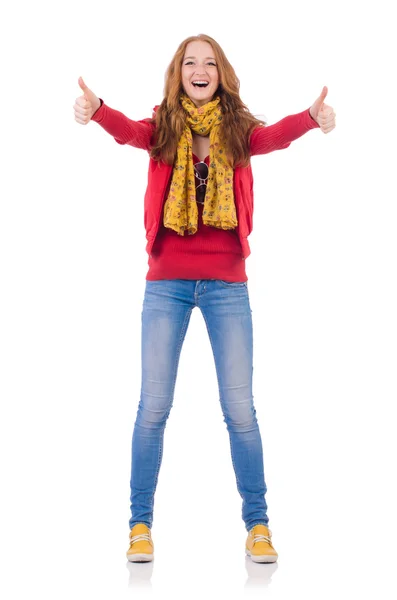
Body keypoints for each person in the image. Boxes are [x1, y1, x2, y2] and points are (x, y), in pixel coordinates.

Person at [73, 33, 336, 564]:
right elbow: (127, 131)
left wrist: (311, 117)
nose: (199, 69)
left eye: (209, 62)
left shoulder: (238, 131)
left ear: (221, 73)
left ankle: (257, 525)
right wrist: (97, 110)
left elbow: (276, 136)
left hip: (227, 285)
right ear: (178, 73)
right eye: (190, 62)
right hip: (165, 282)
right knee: (153, 408)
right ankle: (139, 526)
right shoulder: (162, 128)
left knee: (240, 409)